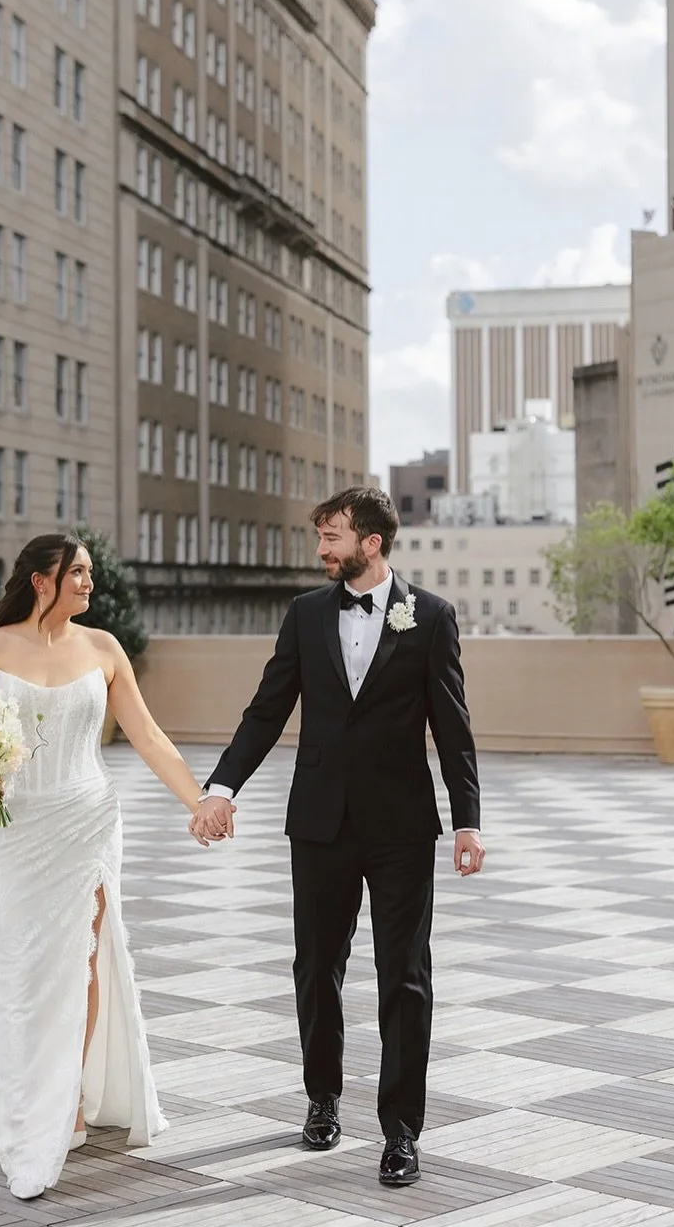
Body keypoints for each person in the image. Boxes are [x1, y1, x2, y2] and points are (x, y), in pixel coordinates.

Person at [192, 487, 484, 1187]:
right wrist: (220, 787)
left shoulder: (431, 617)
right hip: (318, 822)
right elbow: (266, 711)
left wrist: (467, 818)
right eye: (320, 537)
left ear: (371, 542)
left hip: (400, 827)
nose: (322, 550)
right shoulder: (304, 614)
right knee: (315, 968)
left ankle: (401, 1133)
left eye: (332, 537)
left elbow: (452, 726)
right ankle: (321, 1098)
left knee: (405, 979)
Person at [0, 533, 214, 1201]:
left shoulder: (103, 649)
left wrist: (200, 802)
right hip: (14, 830)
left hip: (86, 817)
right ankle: (23, 1087)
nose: (88, 583)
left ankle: (69, 1095)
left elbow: (148, 733)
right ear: (41, 580)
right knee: (23, 958)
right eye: (77, 573)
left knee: (85, 955)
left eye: (88, 574)